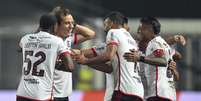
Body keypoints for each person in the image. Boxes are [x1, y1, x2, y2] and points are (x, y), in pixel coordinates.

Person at [75, 12, 144, 101]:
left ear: (111, 23)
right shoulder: (132, 41)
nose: (104, 28)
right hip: (138, 91)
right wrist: (87, 62)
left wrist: (86, 61)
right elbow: (110, 69)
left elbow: (108, 56)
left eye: (105, 24)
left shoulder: (113, 32)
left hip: (123, 90)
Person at [16, 14, 74, 101]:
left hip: (22, 93)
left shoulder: (25, 38)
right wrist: (54, 65)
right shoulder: (57, 41)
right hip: (41, 95)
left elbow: (19, 49)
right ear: (55, 26)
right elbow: (70, 67)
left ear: (40, 25)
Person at [124, 17, 176, 101]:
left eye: (142, 29)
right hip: (166, 93)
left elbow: (163, 61)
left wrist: (140, 58)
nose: (140, 32)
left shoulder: (155, 43)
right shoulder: (162, 43)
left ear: (150, 30)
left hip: (158, 93)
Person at [50, 6, 96, 101]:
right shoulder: (49, 39)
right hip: (51, 93)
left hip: (64, 93)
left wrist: (72, 24)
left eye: (72, 23)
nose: (71, 26)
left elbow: (91, 34)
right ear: (57, 25)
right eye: (67, 23)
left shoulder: (68, 38)